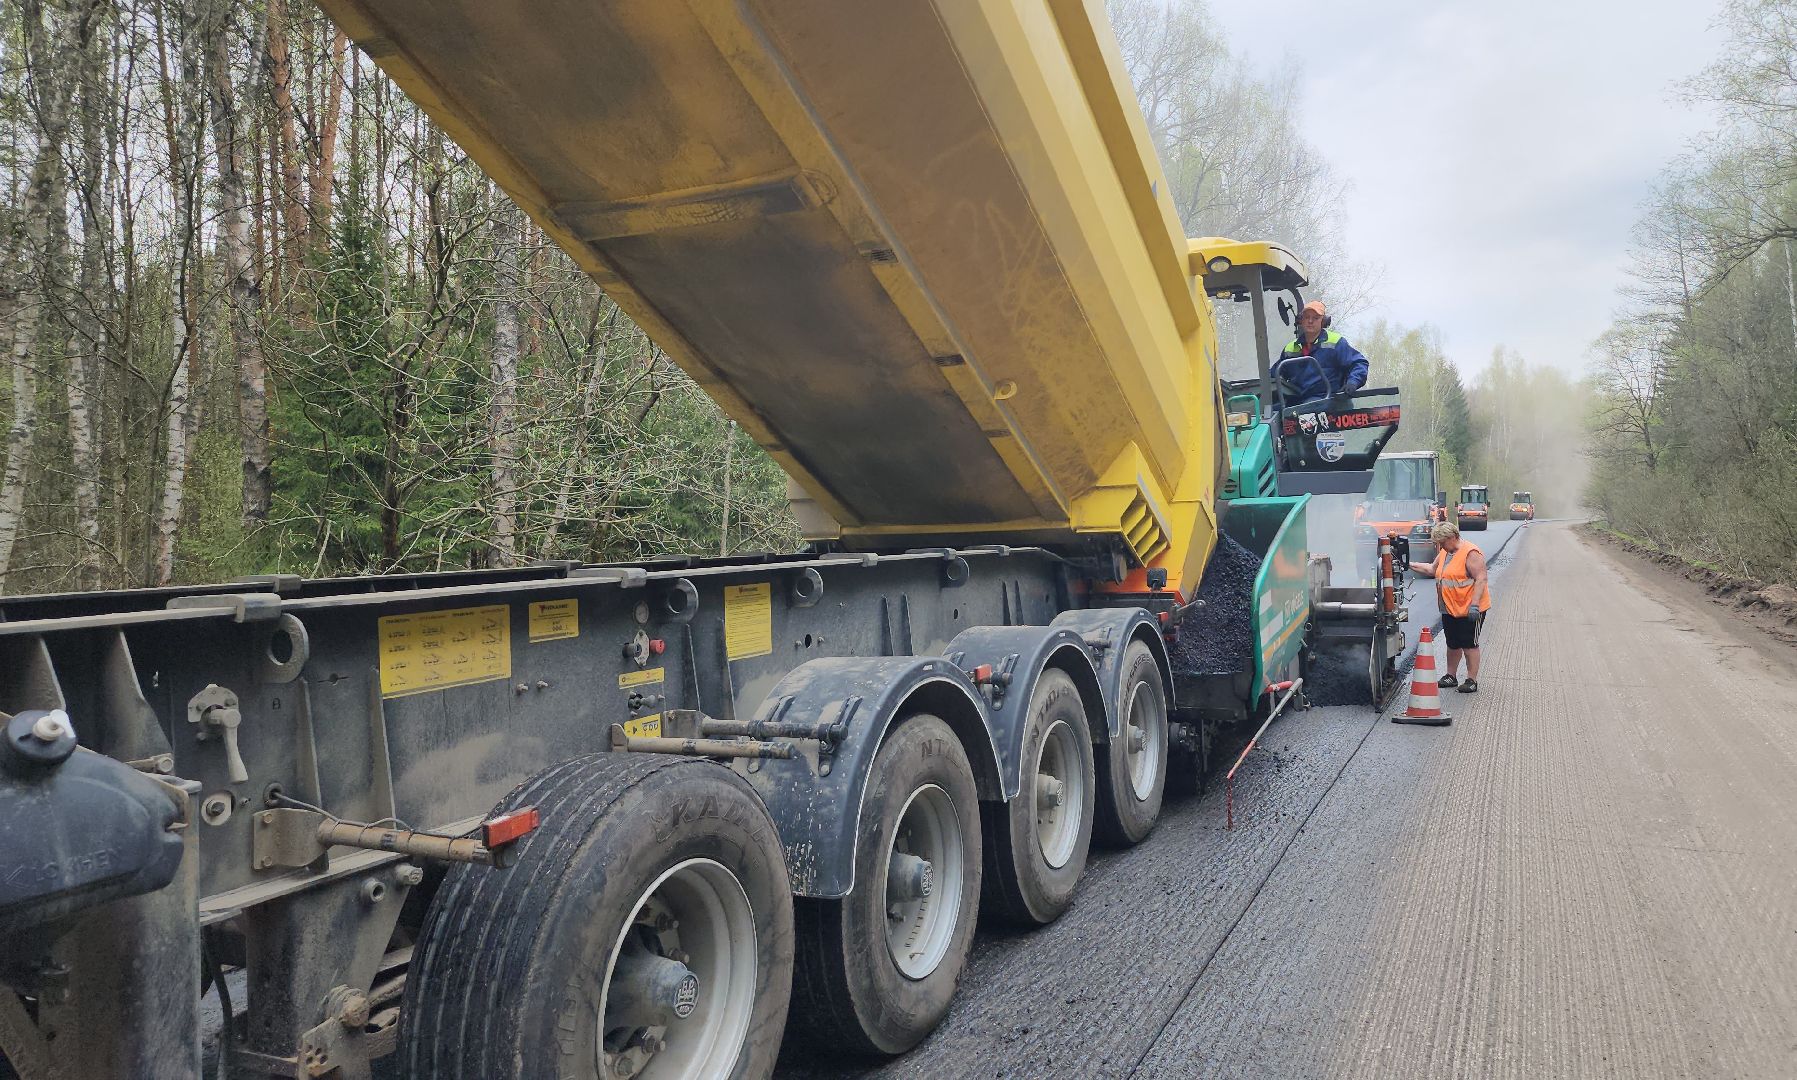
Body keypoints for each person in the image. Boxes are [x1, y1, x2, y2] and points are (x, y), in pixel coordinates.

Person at [1408, 520, 1490, 693]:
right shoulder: (1445, 552)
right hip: (1450, 608)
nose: (1441, 546)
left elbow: (1481, 578)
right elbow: (1432, 569)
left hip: (1469, 609)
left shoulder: (1471, 553)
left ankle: (1471, 680)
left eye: (1442, 542)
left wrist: (1475, 605)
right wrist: (1408, 564)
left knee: (1469, 644)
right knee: (1452, 643)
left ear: (1453, 537)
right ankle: (1451, 676)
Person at [1272, 300, 1368, 406]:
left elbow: (1359, 363)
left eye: (1315, 318)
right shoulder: (1290, 348)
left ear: (1323, 321)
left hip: (1328, 399)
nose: (1310, 321)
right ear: (1301, 320)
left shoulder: (1336, 342)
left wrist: (1353, 382)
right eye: (1307, 317)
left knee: (1305, 408)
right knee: (1270, 409)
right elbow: (1274, 374)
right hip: (1297, 400)